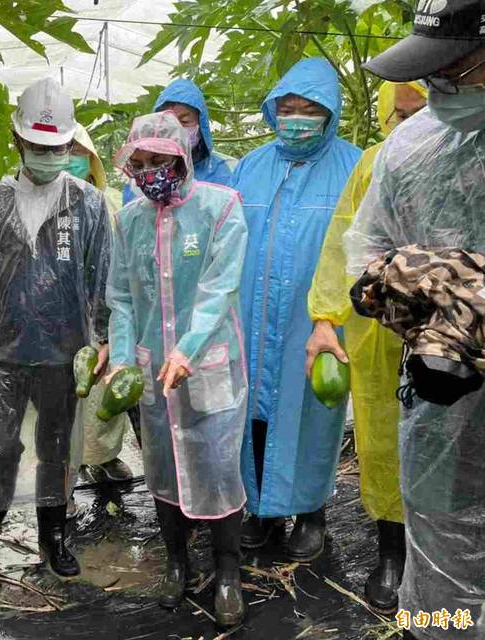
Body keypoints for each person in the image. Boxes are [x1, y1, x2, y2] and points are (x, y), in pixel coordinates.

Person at [343, 1, 485, 636]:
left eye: (454, 70)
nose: (438, 88)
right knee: (439, 535)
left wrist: (471, 289)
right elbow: (366, 250)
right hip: (439, 394)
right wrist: (410, 289)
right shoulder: (413, 142)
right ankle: (439, 626)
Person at [0, 78, 111, 577]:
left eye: (57, 147)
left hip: (65, 349)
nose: (48, 154)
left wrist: (103, 339)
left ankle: (54, 532)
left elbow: (103, 276)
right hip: (5, 348)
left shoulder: (87, 203)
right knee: (1, 443)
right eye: (38, 146)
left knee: (56, 445)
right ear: (18, 141)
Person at [108, 110, 248, 627]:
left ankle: (228, 573)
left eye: (158, 160)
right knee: (162, 469)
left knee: (218, 469)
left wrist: (188, 348)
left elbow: (219, 288)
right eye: (138, 163)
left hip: (209, 365)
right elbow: (121, 297)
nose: (149, 172)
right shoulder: (128, 221)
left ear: (182, 157)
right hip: (151, 370)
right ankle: (176, 563)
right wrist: (123, 359)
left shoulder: (221, 208)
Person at [230, 57, 362, 560]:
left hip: (317, 323)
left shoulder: (352, 166)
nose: (298, 117)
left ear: (330, 114)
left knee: (313, 417)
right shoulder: (252, 166)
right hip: (252, 315)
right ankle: (260, 512)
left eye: (311, 109)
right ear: (272, 111)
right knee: (254, 416)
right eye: (288, 108)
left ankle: (311, 512)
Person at [305, 80, 427, 614]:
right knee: (383, 438)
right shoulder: (373, 164)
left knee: (453, 440)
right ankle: (392, 553)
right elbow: (342, 242)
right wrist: (325, 318)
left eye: (419, 110)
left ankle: (447, 556)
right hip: (380, 325)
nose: (410, 124)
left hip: (458, 322)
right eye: (398, 116)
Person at [66, 125, 133, 485]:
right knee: (64, 397)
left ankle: (105, 457)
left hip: (103, 315)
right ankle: (69, 467)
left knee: (101, 394)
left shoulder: (113, 204)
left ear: (91, 160)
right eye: (63, 149)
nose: (70, 158)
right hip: (57, 318)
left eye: (77, 151)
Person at [121, 79, 236, 205]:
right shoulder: (139, 182)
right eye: (168, 122)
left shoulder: (230, 169)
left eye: (184, 121)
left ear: (201, 124)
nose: (176, 129)